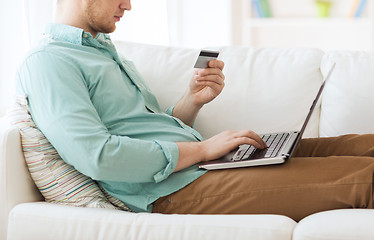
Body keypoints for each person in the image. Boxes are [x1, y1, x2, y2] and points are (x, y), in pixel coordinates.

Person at [17, 0, 374, 221]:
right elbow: (97, 156)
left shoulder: (103, 51)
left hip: (200, 164)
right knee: (366, 178)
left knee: (364, 146)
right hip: (172, 189)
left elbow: (151, 127)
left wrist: (193, 100)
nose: (128, 5)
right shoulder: (50, 62)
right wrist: (204, 149)